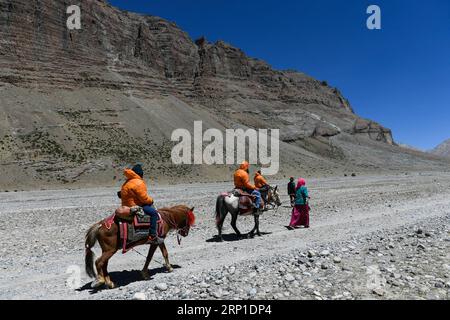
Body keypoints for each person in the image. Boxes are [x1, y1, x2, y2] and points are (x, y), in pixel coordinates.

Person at [119, 164, 163, 244]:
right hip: (135, 206)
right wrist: (151, 200)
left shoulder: (127, 181)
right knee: (153, 213)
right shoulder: (139, 182)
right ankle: (153, 236)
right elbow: (144, 198)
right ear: (140, 174)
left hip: (125, 205)